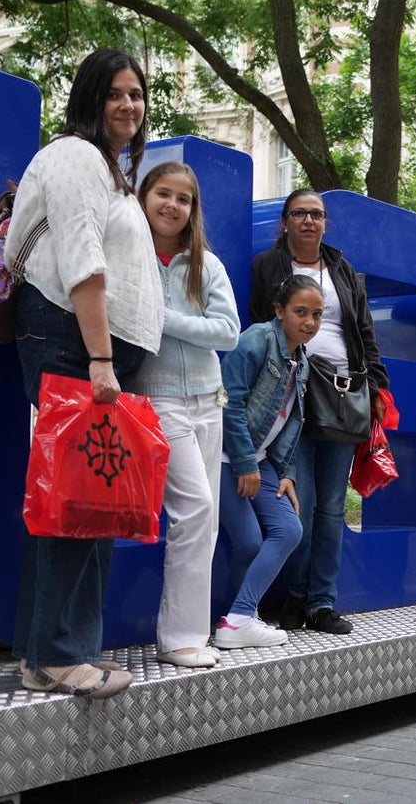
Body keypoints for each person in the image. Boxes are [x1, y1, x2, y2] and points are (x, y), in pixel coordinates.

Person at [6, 49, 163, 698]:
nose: (130, 104)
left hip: (95, 349)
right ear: (91, 98)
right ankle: (60, 655)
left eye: (138, 94)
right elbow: (82, 261)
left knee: (84, 500)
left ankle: (48, 653)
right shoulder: (73, 155)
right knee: (74, 501)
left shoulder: (112, 170)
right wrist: (101, 357)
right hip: (73, 342)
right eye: (117, 93)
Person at [249, 190, 390, 635]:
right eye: (299, 214)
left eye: (316, 214)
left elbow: (364, 331)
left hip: (345, 398)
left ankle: (322, 602)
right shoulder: (267, 267)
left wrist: (379, 391)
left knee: (331, 508)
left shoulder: (344, 271)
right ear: (286, 222)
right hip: (292, 395)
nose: (309, 221)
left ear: (325, 222)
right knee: (299, 504)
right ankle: (292, 598)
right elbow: (259, 327)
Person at [133, 162, 240, 668]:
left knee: (207, 519)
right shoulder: (127, 255)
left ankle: (186, 634)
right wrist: (186, 324)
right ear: (144, 196)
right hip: (156, 399)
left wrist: (164, 319)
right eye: (163, 194)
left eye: (184, 198)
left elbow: (228, 333)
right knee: (194, 509)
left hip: (208, 397)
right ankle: (179, 638)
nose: (172, 205)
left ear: (193, 210)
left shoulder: (207, 264)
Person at [215, 276, 322, 648]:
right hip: (227, 457)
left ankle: (240, 617)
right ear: (279, 311)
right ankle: (238, 619)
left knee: (289, 530)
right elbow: (227, 401)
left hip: (262, 463)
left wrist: (287, 473)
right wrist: (244, 463)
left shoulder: (302, 361)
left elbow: (291, 422)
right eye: (300, 312)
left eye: (317, 315)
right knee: (247, 542)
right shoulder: (257, 340)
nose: (309, 322)